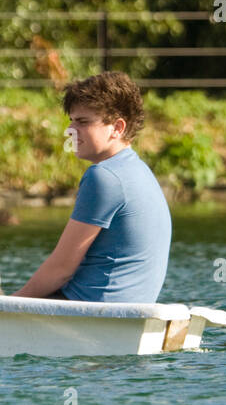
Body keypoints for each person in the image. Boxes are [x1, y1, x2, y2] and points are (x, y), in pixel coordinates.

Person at [11, 72, 170, 303]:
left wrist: (11, 303)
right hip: (124, 317)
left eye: (83, 122)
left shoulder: (104, 177)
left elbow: (61, 269)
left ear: (117, 127)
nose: (70, 130)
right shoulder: (141, 172)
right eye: (71, 121)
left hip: (93, 312)